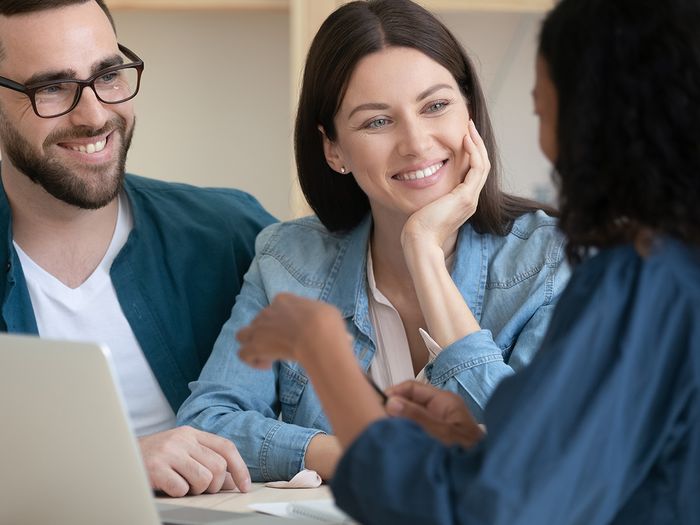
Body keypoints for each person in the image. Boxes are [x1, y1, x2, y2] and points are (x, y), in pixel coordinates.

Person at [236, 0, 700, 523]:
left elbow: (495, 510)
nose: (532, 102)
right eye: (379, 120)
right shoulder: (664, 270)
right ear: (332, 147)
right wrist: (480, 444)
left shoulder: (636, 283)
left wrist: (324, 353)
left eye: (543, 92)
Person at [177, 0, 570, 482]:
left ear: (469, 110)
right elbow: (207, 424)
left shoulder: (552, 260)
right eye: (377, 121)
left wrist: (424, 251)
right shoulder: (289, 260)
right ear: (334, 148)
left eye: (436, 106)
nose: (417, 143)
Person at [0, 0, 275, 497]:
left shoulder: (236, 236)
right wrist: (115, 463)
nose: (95, 114)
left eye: (108, 75)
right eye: (52, 88)